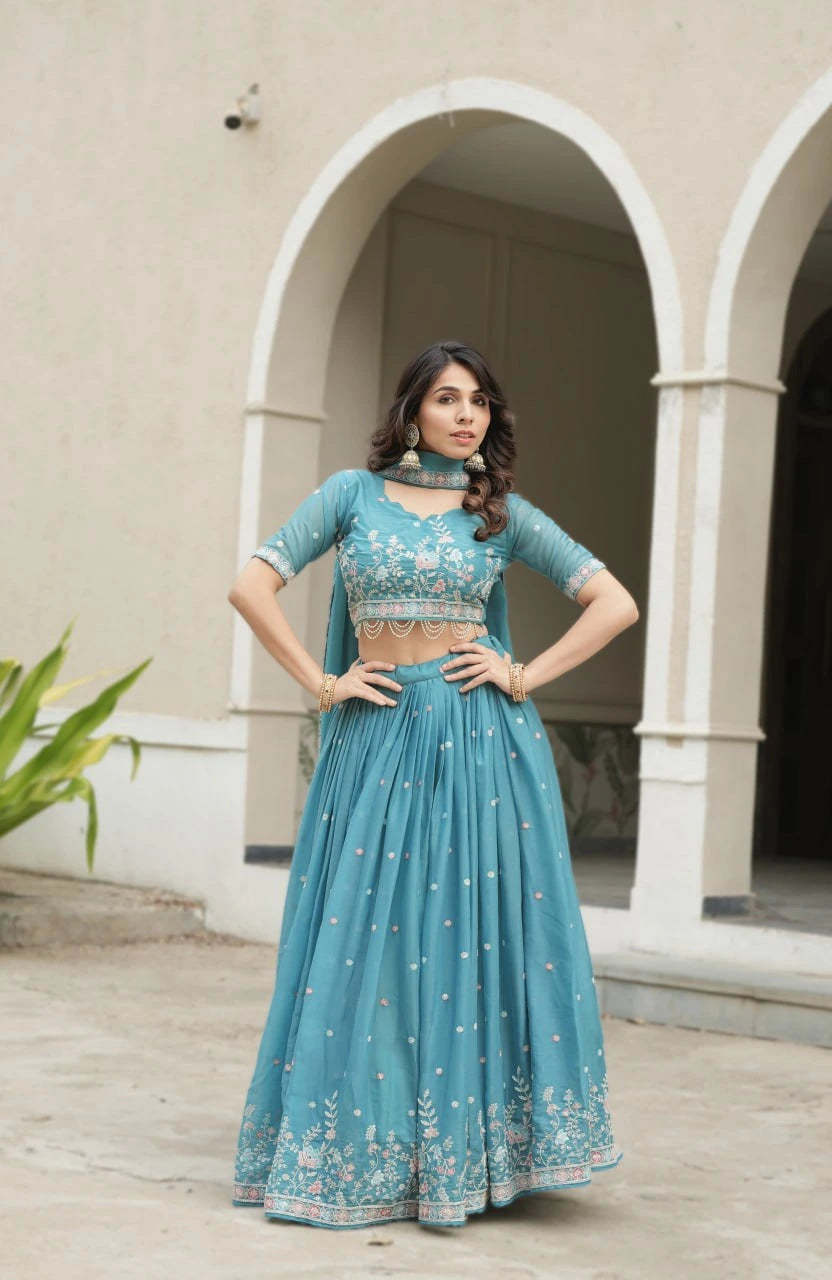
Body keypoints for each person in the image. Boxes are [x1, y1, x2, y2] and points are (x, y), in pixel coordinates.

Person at [228, 339, 638, 1229]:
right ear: (411, 410)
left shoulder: (499, 513)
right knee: (366, 936)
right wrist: (323, 682)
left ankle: (468, 1154)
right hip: (374, 736)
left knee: (462, 941)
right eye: (448, 399)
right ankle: (359, 1153)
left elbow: (614, 601)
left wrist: (522, 674)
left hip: (475, 743)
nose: (466, 415)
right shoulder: (351, 495)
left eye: (480, 402)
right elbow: (250, 586)